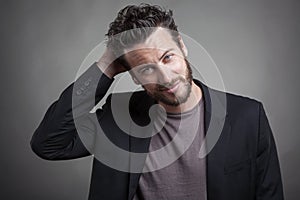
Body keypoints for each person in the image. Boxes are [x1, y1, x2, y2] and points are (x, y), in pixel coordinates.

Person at [30, 4, 284, 200]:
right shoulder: (117, 117)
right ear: (133, 76)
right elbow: (48, 144)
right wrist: (105, 65)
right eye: (146, 69)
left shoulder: (248, 117)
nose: (165, 78)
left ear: (182, 47)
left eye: (167, 58)